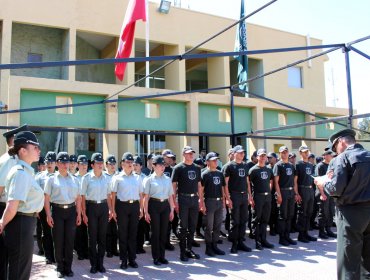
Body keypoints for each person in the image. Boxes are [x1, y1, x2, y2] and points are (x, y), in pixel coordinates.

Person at [315, 129, 370, 279]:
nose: (335, 152)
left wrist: (323, 182)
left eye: (335, 148)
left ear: (340, 141)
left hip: (350, 214)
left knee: (348, 262)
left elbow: (335, 189)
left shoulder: (341, 158)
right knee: (367, 260)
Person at [0, 130, 44, 280]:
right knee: (19, 273)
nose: (39, 150)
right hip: (20, 225)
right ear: (23, 151)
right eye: (35, 147)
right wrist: (2, 223)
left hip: (24, 224)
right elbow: (12, 206)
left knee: (19, 271)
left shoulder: (25, 171)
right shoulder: (20, 173)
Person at [44, 152, 82, 278]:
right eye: (62, 162)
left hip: (71, 212)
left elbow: (78, 198)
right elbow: (47, 198)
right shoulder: (51, 179)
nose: (65, 165)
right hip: (57, 211)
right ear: (57, 164)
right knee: (59, 241)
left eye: (67, 162)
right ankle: (60, 268)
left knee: (70, 241)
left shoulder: (74, 179)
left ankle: (68, 268)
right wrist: (48, 215)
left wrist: (79, 214)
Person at [0, 124, 28, 280]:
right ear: (14, 142)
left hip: (11, 209)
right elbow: (1, 187)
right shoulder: (9, 160)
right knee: (6, 253)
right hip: (6, 208)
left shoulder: (16, 160)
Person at [81, 153, 113, 274]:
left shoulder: (107, 177)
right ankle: (93, 264)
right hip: (92, 207)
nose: (100, 165)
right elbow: (82, 197)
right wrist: (84, 213)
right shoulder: (86, 178)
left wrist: (110, 209)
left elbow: (109, 195)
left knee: (102, 237)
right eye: (98, 163)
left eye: (101, 163)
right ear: (92, 165)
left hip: (104, 207)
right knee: (92, 238)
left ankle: (101, 263)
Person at [111, 152, 143, 270]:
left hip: (134, 206)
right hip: (122, 206)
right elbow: (113, 195)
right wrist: (113, 210)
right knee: (123, 234)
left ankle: (132, 259)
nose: (130, 164)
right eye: (127, 162)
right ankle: (123, 260)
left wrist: (141, 208)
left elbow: (141, 195)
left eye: (131, 162)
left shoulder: (137, 178)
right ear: (122, 164)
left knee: (133, 234)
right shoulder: (117, 178)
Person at [172, 146, 203, 262]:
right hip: (183, 199)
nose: (191, 155)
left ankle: (189, 250)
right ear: (184, 154)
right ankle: (182, 253)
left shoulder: (196, 168)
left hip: (194, 199)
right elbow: (173, 186)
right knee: (183, 227)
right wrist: (174, 201)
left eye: (192, 153)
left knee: (192, 226)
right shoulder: (178, 168)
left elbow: (199, 185)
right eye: (189, 153)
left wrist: (201, 200)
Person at [143, 155, 175, 265]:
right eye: (160, 165)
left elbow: (170, 196)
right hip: (154, 205)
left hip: (165, 206)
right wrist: (145, 211)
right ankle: (155, 257)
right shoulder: (149, 180)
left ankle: (162, 256)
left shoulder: (167, 179)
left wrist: (171, 210)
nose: (163, 167)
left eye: (164, 165)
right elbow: (145, 197)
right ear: (154, 166)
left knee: (164, 232)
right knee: (155, 232)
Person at [223, 145, 252, 253]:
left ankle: (241, 242)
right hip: (234, 195)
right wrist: (227, 198)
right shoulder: (229, 166)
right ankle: (234, 244)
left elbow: (247, 181)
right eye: (239, 153)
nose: (242, 154)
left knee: (243, 219)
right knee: (235, 220)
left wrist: (250, 195)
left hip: (244, 195)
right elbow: (225, 184)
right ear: (234, 153)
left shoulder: (245, 166)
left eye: (243, 153)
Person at [200, 152, 226, 257]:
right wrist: (202, 204)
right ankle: (208, 248)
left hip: (219, 201)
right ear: (207, 162)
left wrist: (224, 201)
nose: (216, 161)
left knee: (217, 225)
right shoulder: (204, 174)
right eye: (213, 160)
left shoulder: (220, 173)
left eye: (216, 160)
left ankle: (215, 246)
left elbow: (222, 188)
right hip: (209, 201)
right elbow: (201, 191)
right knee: (209, 226)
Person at [248, 149, 274, 250]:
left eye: (264, 156)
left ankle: (264, 240)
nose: (263, 158)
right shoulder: (253, 170)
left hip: (267, 197)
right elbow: (248, 185)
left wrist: (269, 190)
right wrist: (250, 197)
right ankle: (257, 241)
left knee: (265, 219)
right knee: (256, 220)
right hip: (257, 196)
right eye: (261, 156)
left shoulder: (268, 169)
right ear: (257, 157)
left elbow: (271, 180)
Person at [35, 151, 56, 264]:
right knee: (46, 232)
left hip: (56, 207)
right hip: (43, 207)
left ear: (56, 163)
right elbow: (36, 194)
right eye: (48, 161)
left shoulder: (60, 176)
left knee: (57, 233)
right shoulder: (39, 177)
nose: (49, 164)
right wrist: (37, 209)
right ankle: (49, 256)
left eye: (52, 162)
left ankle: (57, 256)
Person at [273, 146, 297, 246]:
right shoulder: (278, 165)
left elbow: (294, 181)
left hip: (291, 192)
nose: (284, 154)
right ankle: (282, 238)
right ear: (280, 154)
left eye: (286, 152)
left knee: (290, 215)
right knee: (283, 216)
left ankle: (287, 236)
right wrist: (278, 194)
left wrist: (296, 193)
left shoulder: (291, 165)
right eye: (282, 152)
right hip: (283, 192)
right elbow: (276, 182)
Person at [294, 145, 317, 243]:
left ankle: (306, 233)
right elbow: (295, 181)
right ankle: (301, 235)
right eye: (304, 152)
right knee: (302, 213)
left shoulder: (311, 165)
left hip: (310, 190)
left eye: (307, 151)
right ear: (300, 153)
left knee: (309, 212)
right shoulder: (298, 165)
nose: (306, 153)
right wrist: (296, 193)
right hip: (302, 190)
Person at [314, 150, 336, 239]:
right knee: (323, 213)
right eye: (331, 155)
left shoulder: (331, 166)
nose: (332, 157)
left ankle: (328, 229)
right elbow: (318, 181)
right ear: (325, 156)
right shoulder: (320, 166)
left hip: (330, 193)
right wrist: (322, 193)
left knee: (331, 212)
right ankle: (321, 232)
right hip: (322, 192)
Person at [133, 155, 150, 254]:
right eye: (133, 165)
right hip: (133, 205)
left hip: (143, 205)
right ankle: (133, 246)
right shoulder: (131, 177)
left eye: (136, 165)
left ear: (141, 166)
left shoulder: (145, 178)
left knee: (141, 227)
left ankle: (140, 246)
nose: (134, 167)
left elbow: (146, 193)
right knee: (133, 227)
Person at [74, 155, 89, 260]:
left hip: (89, 205)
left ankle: (87, 250)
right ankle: (80, 251)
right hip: (77, 205)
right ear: (77, 165)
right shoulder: (74, 178)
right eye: (82, 164)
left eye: (86, 164)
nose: (84, 166)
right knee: (79, 230)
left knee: (88, 230)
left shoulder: (91, 176)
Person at [104, 155, 120, 258]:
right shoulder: (103, 176)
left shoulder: (118, 175)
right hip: (106, 202)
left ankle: (115, 249)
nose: (113, 166)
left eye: (114, 164)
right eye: (110, 164)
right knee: (108, 228)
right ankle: (108, 249)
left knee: (115, 228)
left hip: (117, 202)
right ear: (106, 165)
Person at [267, 152, 278, 236]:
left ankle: (277, 227)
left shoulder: (278, 166)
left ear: (275, 158)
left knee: (277, 211)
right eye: (268, 157)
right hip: (270, 192)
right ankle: (271, 228)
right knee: (271, 211)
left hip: (278, 191)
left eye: (270, 157)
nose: (268, 159)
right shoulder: (267, 168)